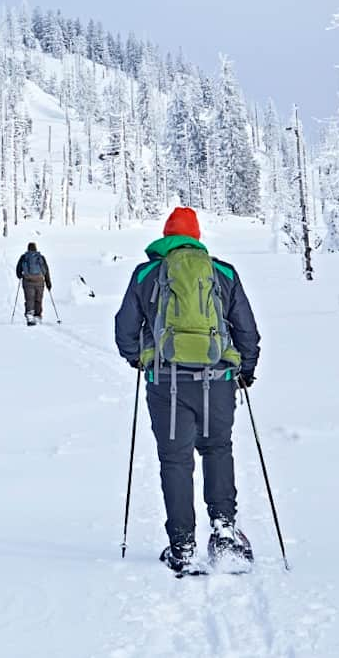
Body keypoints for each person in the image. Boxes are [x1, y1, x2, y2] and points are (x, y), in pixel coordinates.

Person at [114, 207, 261, 574]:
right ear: (196, 236)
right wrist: (246, 370)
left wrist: (140, 359)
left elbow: (124, 329)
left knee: (175, 460)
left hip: (167, 382)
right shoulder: (222, 272)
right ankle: (224, 531)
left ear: (166, 237)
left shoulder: (146, 274)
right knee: (217, 449)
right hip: (218, 381)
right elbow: (247, 331)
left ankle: (182, 545)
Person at [15, 242, 51, 326]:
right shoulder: (41, 257)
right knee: (38, 299)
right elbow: (46, 270)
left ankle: (30, 316)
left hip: (28, 282)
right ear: (36, 248)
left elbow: (18, 270)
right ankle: (37, 316)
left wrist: (20, 275)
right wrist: (48, 283)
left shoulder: (24, 257)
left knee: (29, 299)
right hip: (39, 282)